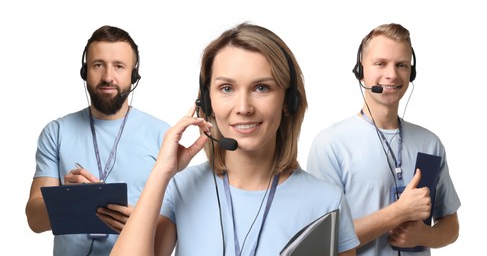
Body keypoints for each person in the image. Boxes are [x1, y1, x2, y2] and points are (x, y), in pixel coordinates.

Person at [110, 22, 359, 256]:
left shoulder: (328, 201)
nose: (243, 107)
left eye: (261, 87)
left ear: (288, 101)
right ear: (207, 102)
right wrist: (161, 173)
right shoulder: (180, 188)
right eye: (227, 88)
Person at [307, 23, 460, 255]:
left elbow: (451, 225)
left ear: (412, 72)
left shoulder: (430, 143)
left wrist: (425, 235)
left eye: (402, 65)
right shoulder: (330, 145)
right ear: (361, 70)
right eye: (380, 63)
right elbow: (323, 240)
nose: (392, 74)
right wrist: (398, 212)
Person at [25, 25, 170, 256]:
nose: (108, 77)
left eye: (119, 66)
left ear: (134, 75)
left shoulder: (163, 136)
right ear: (85, 72)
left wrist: (140, 225)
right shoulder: (56, 132)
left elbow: (177, 222)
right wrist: (66, 199)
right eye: (98, 65)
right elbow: (34, 219)